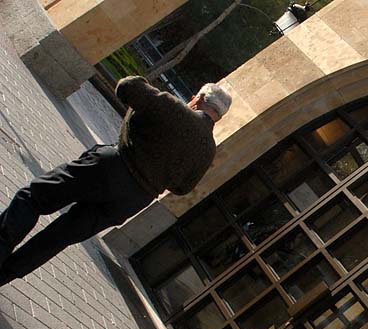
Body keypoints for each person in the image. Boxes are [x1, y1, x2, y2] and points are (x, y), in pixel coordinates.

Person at [0, 77, 232, 285]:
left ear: (199, 98)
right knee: (58, 238)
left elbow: (127, 86)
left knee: (33, 198)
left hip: (110, 168)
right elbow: (183, 188)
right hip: (134, 199)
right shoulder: (208, 150)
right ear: (218, 117)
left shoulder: (174, 109)